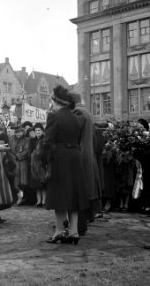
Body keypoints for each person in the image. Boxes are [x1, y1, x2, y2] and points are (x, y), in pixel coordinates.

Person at [42, 85, 88, 244]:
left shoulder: (54, 116)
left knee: (58, 195)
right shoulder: (75, 117)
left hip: (59, 158)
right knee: (73, 196)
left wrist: (41, 159)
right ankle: (74, 232)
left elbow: (46, 141)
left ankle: (60, 230)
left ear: (55, 101)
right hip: (74, 157)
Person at [69, 90, 101, 235]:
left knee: (79, 189)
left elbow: (73, 134)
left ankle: (79, 224)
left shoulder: (77, 112)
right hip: (88, 154)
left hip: (80, 155)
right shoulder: (87, 112)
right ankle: (86, 219)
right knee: (87, 188)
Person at [9, 124, 30, 205]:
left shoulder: (27, 140)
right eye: (16, 132)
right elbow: (9, 150)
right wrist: (12, 157)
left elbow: (26, 151)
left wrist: (18, 157)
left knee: (22, 182)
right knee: (15, 182)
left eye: (20, 132)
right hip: (13, 163)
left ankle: (21, 198)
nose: (18, 134)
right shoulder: (11, 139)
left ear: (23, 132)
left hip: (22, 163)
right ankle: (18, 198)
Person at [29, 123, 47, 207]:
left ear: (42, 131)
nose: (37, 132)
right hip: (34, 165)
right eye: (36, 130)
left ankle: (44, 201)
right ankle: (38, 201)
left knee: (43, 184)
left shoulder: (45, 140)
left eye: (39, 130)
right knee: (37, 185)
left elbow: (47, 152)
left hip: (43, 164)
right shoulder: (32, 140)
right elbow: (30, 151)